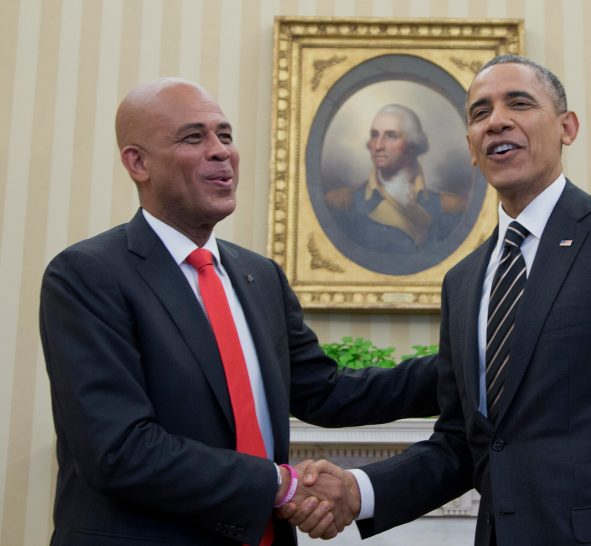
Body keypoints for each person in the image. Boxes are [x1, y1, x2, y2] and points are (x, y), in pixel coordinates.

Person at [289, 54, 591, 545]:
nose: (497, 120)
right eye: (480, 113)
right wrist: (361, 491)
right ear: (470, 147)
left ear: (567, 127)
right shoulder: (463, 282)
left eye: (519, 103)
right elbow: (466, 444)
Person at [38, 78, 438, 546]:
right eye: (194, 137)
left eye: (225, 136)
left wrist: (469, 369)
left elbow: (325, 392)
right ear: (137, 162)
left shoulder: (258, 275)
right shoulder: (88, 274)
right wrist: (279, 483)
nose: (220, 152)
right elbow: (120, 449)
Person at [324, 103, 467, 254]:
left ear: (412, 144)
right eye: (374, 135)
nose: (378, 146)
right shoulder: (343, 204)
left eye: (391, 136)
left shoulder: (449, 208)